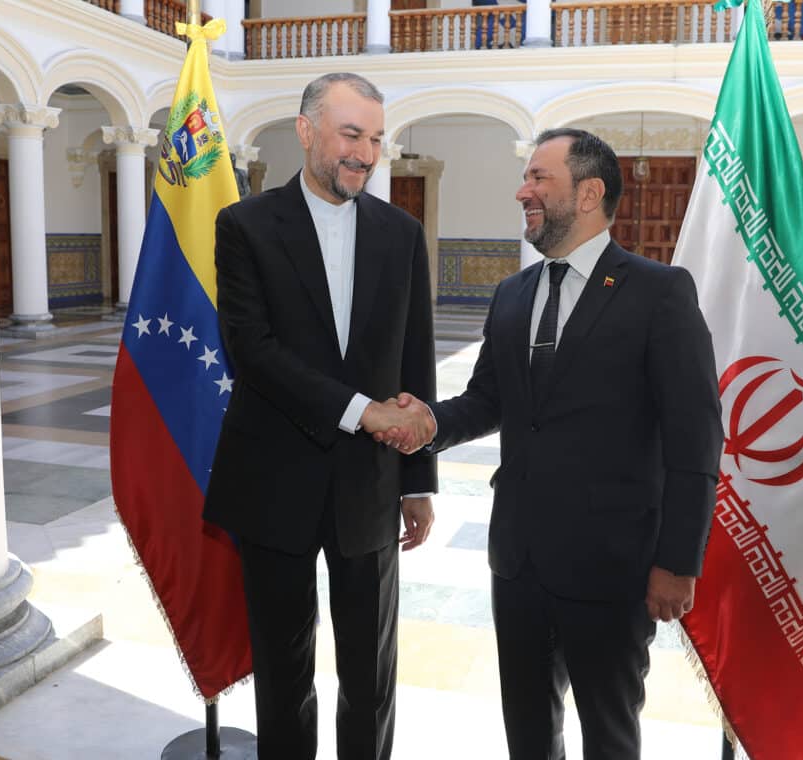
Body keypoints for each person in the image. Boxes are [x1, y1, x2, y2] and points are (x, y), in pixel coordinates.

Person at [381, 128, 723, 759]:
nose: (523, 191)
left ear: (588, 193)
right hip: (519, 560)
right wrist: (428, 424)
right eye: (527, 178)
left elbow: (695, 439)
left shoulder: (658, 292)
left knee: (609, 734)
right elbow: (488, 401)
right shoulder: (513, 293)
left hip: (613, 565)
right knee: (529, 733)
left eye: (540, 178)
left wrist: (678, 563)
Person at [203, 72, 438, 760]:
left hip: (370, 484)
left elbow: (415, 363)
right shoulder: (244, 226)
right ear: (306, 132)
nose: (365, 153)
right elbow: (253, 351)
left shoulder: (402, 233)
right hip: (272, 481)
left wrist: (417, 481)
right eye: (350, 135)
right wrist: (362, 412)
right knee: (283, 675)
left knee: (370, 675)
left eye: (376, 138)